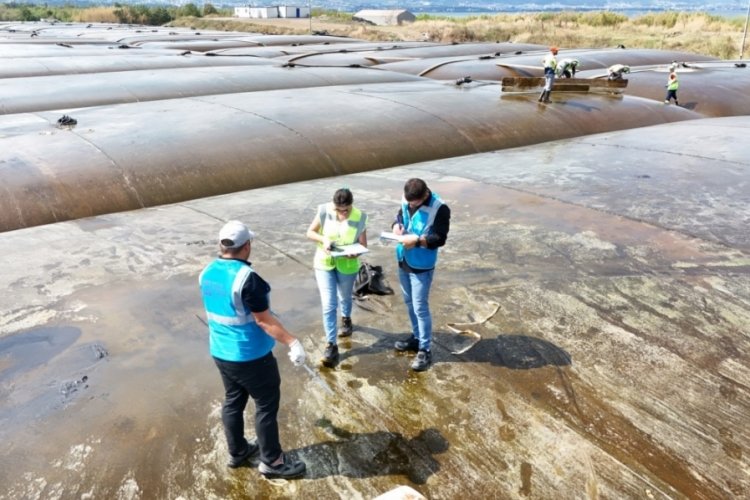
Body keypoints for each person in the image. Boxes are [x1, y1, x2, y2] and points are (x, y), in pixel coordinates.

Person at [199, 220, 307, 479]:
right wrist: (292, 342)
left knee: (233, 401)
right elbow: (263, 321)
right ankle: (273, 461)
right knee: (266, 405)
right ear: (246, 246)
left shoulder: (206, 272)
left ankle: (237, 452)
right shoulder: (248, 279)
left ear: (221, 245)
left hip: (220, 352)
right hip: (250, 355)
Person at [391, 179, 451, 372]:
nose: (410, 205)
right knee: (409, 303)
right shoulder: (408, 200)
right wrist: (396, 226)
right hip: (404, 260)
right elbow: (400, 215)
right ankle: (416, 338)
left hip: (422, 265)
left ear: (424, 195)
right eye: (408, 202)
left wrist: (417, 241)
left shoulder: (440, 209)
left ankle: (425, 350)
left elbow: (439, 239)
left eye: (414, 203)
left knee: (420, 307)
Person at [305, 188, 367, 367]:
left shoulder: (360, 217)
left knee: (345, 297)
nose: (342, 213)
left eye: (345, 209)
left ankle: (346, 319)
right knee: (329, 304)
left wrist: (355, 253)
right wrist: (324, 240)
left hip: (347, 265)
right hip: (324, 263)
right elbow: (310, 232)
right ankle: (331, 345)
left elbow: (363, 244)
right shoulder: (324, 210)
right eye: (338, 209)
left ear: (351, 204)